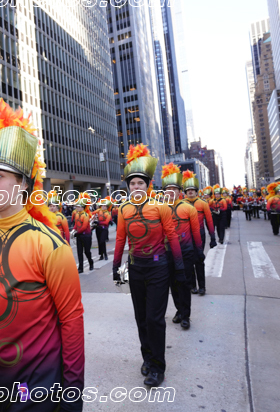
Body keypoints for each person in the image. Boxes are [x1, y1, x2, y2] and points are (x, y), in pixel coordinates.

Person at [0, 99, 84, 410]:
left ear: (23, 184)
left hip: (36, 384)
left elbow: (71, 321)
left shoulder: (50, 245)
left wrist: (72, 393)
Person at [112, 144, 184, 387]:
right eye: (132, 183)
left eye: (140, 183)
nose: (136, 187)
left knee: (155, 319)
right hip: (135, 269)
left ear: (148, 185)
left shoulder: (161, 207)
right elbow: (120, 240)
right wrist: (116, 266)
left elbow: (172, 237)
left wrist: (179, 267)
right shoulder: (124, 209)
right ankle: (147, 358)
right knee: (141, 317)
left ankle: (157, 367)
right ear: (128, 187)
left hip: (158, 268)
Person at [162, 164, 203, 330]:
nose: (171, 191)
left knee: (184, 283)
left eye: (174, 189)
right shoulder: (159, 208)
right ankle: (179, 310)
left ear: (180, 191)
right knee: (172, 284)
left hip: (185, 252)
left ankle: (186, 315)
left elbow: (196, 232)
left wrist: (199, 251)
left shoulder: (188, 208)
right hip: (167, 253)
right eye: (168, 189)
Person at [183, 172, 217, 295]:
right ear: (185, 192)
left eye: (192, 190)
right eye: (188, 190)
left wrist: (213, 237)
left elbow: (209, 221)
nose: (190, 192)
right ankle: (192, 286)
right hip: (186, 237)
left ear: (196, 191)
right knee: (188, 262)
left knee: (199, 260)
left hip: (199, 236)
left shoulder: (203, 203)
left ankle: (202, 287)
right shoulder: (181, 204)